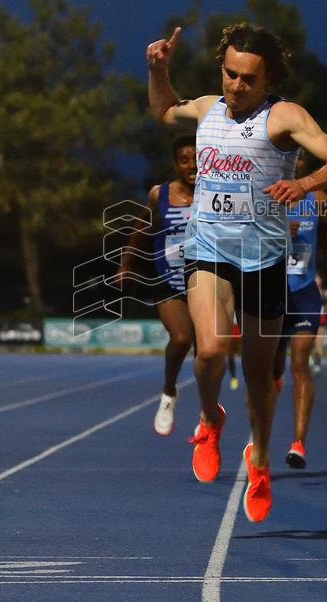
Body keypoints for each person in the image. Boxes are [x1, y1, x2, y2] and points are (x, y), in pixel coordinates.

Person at [146, 22, 327, 522]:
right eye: (230, 74)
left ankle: (259, 458)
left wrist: (304, 183)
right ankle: (208, 417)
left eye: (248, 79)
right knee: (212, 351)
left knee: (262, 376)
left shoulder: (284, 116)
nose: (236, 86)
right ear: (221, 66)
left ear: (267, 80)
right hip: (207, 250)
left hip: (263, 260)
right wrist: (158, 71)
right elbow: (161, 109)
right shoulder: (206, 108)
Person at [117, 136, 197, 436]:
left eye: (196, 157)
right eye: (184, 159)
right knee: (180, 338)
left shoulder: (214, 191)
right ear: (175, 163)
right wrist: (126, 265)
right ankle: (168, 391)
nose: (192, 165)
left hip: (206, 282)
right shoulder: (159, 194)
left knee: (208, 353)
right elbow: (141, 230)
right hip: (169, 281)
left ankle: (208, 412)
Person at [271, 159, 327, 469]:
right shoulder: (265, 195)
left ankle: (298, 443)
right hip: (270, 293)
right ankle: (261, 430)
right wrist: (279, 229)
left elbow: (324, 237)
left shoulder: (319, 200)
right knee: (271, 368)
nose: (292, 164)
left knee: (300, 364)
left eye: (298, 160)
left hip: (304, 293)